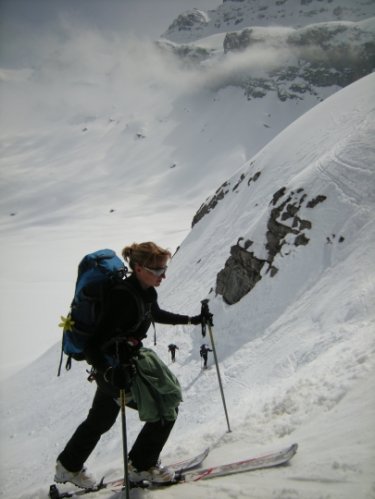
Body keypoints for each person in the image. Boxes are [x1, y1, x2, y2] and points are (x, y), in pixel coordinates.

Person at [54, 242, 202, 488]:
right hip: (116, 370)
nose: (162, 275)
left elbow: (154, 313)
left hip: (118, 367)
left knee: (100, 420)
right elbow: (93, 346)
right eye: (156, 270)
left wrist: (191, 320)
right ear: (138, 267)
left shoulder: (145, 291)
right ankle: (141, 466)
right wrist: (111, 372)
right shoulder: (121, 297)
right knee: (166, 406)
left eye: (163, 269)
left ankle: (68, 466)